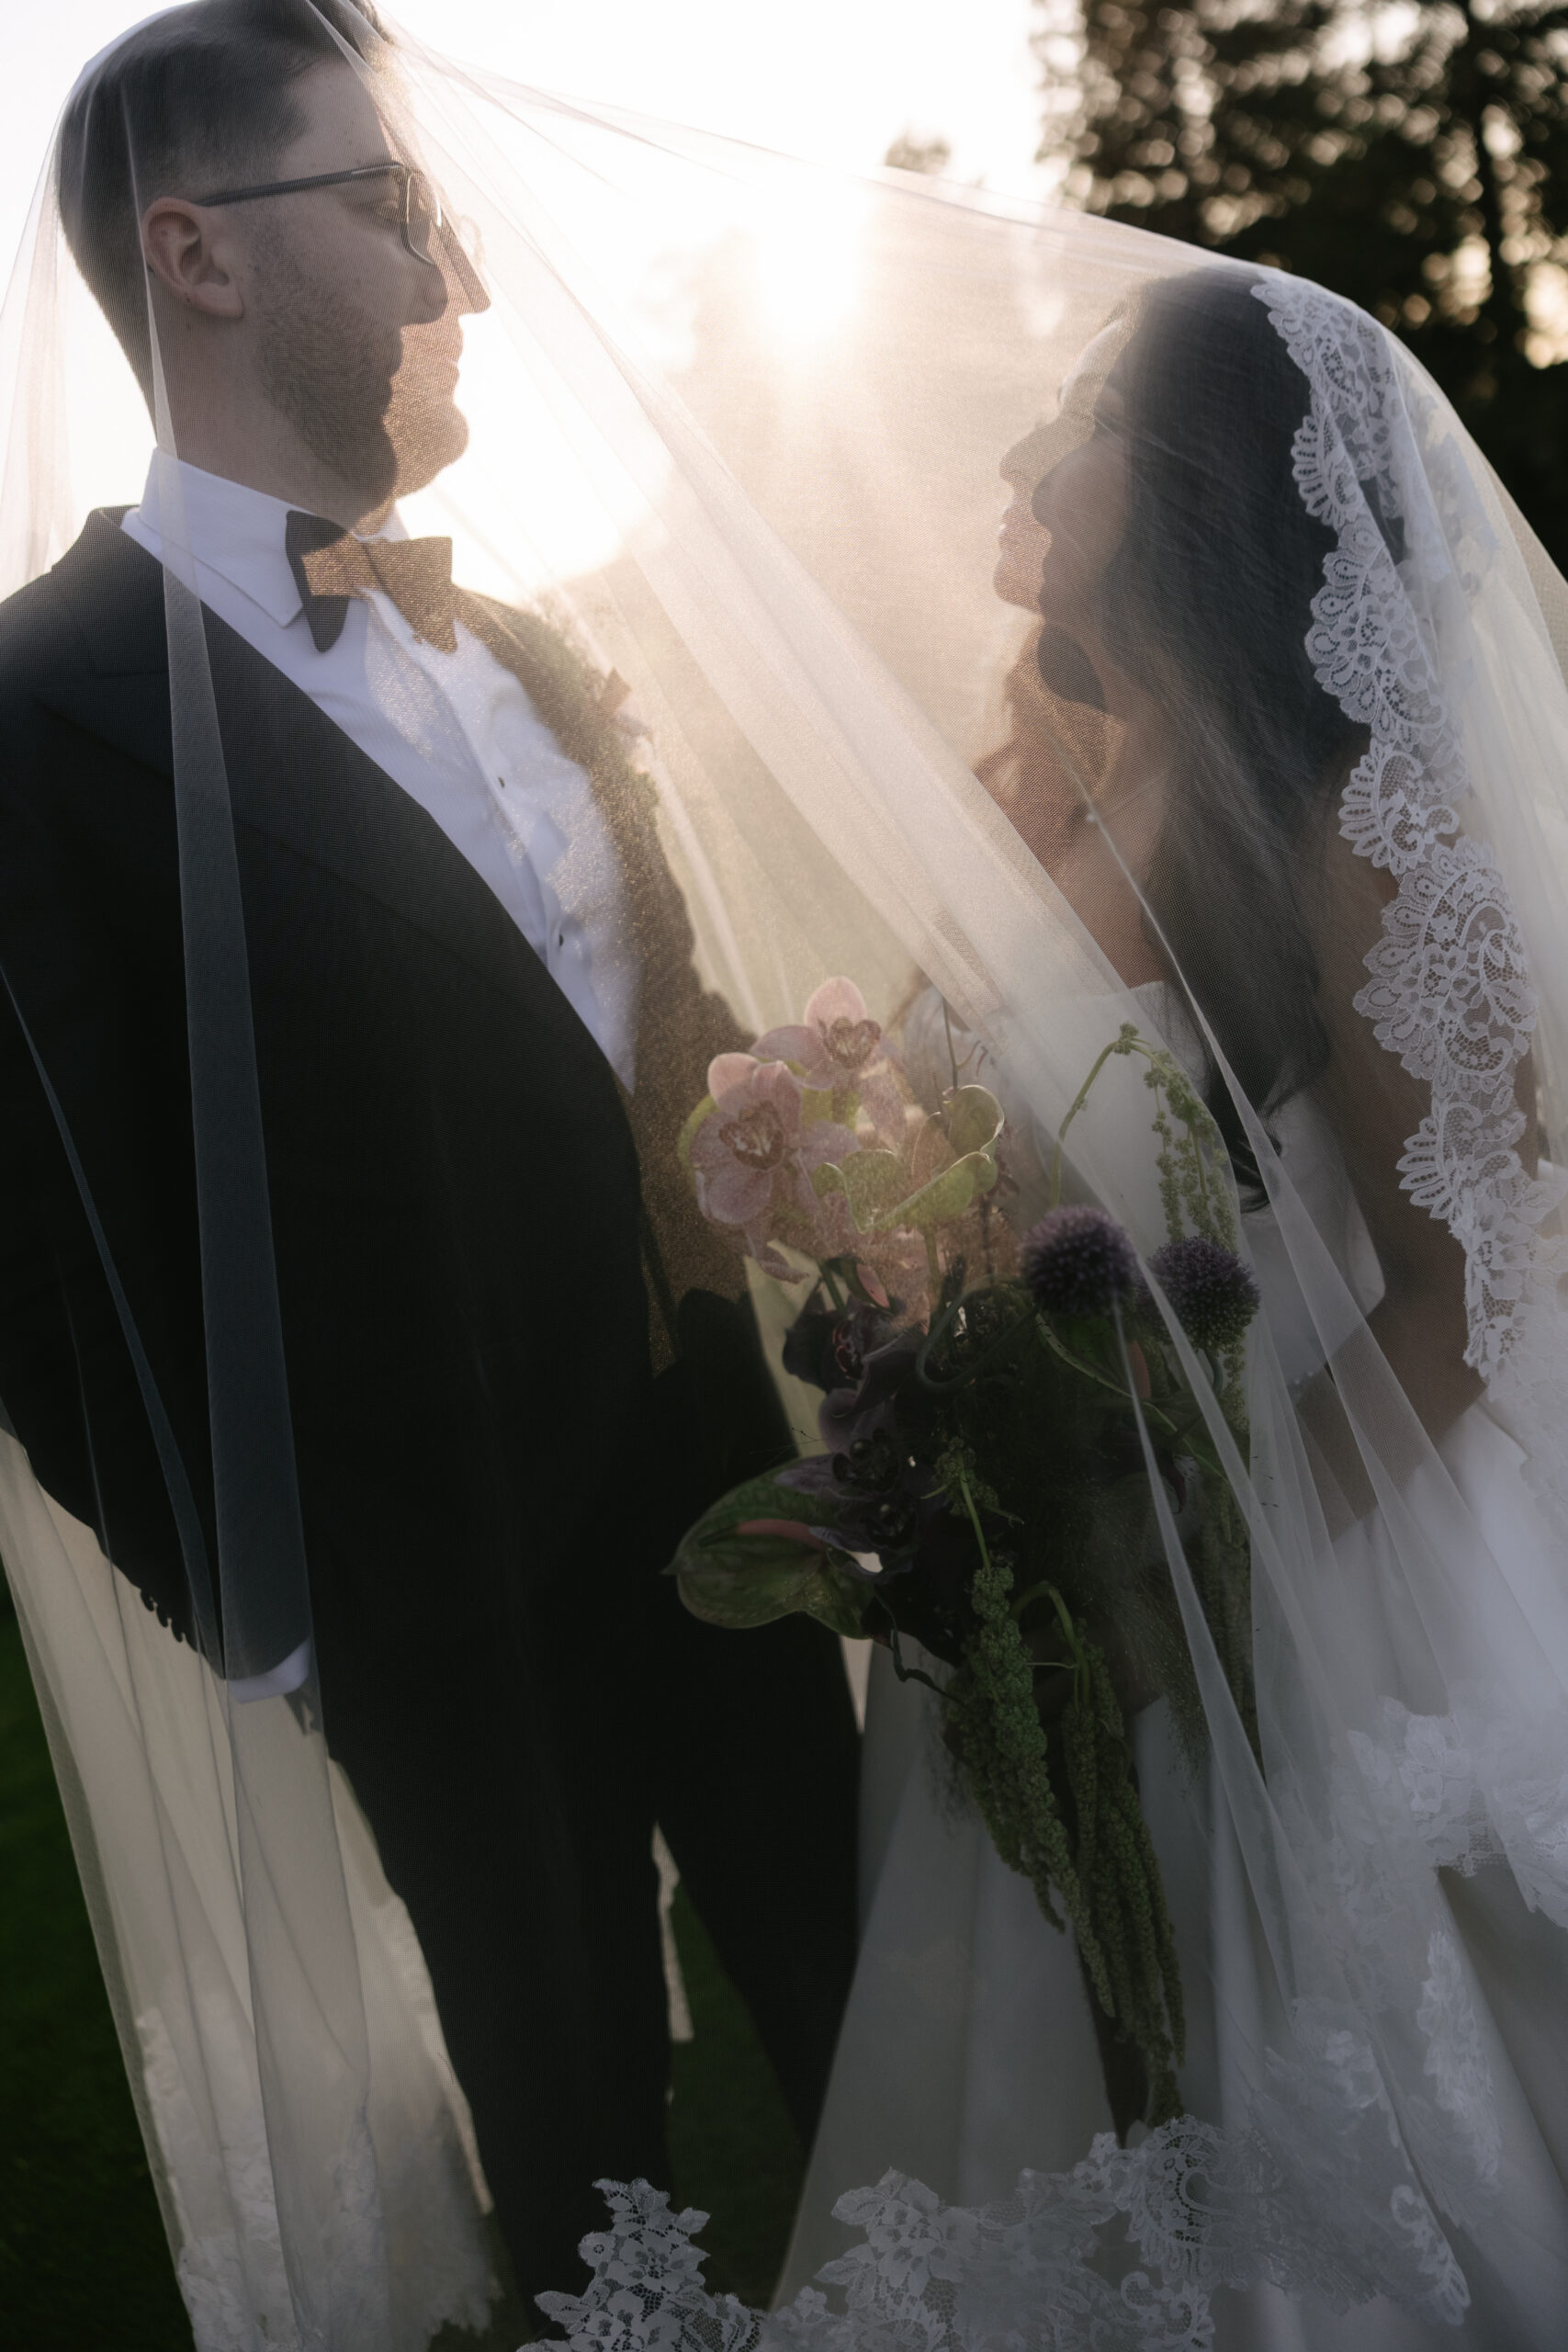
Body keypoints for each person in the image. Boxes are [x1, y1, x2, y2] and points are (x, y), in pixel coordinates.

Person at [0, 0, 857, 2314]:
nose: (448, 264)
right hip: (430, 1597)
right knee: (582, 2140)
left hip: (736, 1487)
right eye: (387, 206)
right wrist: (262, 1582)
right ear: (195, 255)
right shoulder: (32, 710)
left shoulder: (531, 637)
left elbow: (635, 1044)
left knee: (878, 2022)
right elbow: (29, 1251)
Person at [773, 269, 1568, 2347]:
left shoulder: (1358, 828)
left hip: (1328, 1581)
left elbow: (1461, 1284)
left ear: (1203, 476)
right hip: (1088, 1576)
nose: (1041, 452)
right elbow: (1008, 1186)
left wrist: (1192, 1577)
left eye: (1087, 409)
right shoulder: (1075, 783)